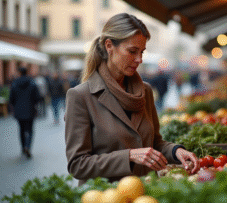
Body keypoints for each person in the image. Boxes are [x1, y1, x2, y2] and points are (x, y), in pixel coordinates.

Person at [64, 13, 199, 186]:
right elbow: (78, 165)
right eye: (132, 51)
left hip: (146, 193)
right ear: (109, 46)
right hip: (106, 197)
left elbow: (154, 143)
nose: (139, 60)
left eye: (142, 52)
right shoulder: (80, 96)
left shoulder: (146, 91)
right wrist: (129, 156)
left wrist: (175, 151)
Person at [9, 67, 41, 158]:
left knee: (21, 130)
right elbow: (37, 97)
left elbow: (11, 98)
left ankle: (23, 147)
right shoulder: (32, 83)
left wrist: (15, 106)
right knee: (30, 130)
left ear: (19, 73)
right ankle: (28, 146)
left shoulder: (14, 83)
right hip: (30, 110)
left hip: (18, 111)